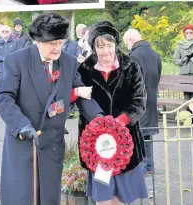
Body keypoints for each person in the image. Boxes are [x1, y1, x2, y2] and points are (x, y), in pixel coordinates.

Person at [0, 12, 103, 205]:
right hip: (24, 142)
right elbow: (4, 97)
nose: (57, 48)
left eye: (60, 42)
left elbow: (80, 93)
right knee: (23, 197)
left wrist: (101, 120)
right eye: (52, 43)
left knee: (49, 198)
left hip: (52, 144)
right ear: (38, 41)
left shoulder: (69, 62)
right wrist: (20, 125)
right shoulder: (17, 60)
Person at [76, 21, 148, 205]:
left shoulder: (131, 66)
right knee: (103, 199)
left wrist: (119, 123)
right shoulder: (84, 70)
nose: (106, 51)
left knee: (123, 199)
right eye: (100, 46)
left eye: (110, 45)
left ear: (116, 44)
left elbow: (139, 102)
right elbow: (82, 100)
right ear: (93, 47)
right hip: (97, 148)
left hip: (127, 145)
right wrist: (101, 124)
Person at [123, 28, 162, 175]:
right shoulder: (156, 55)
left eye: (127, 43)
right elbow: (158, 76)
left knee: (138, 132)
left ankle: (143, 166)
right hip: (151, 97)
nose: (127, 46)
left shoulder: (134, 56)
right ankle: (149, 165)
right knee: (147, 133)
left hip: (137, 100)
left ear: (131, 40)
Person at [173, 24, 193, 100]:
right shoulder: (180, 46)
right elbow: (174, 60)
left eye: (191, 32)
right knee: (186, 97)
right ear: (185, 34)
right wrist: (182, 60)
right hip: (184, 74)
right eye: (187, 33)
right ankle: (187, 111)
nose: (189, 34)